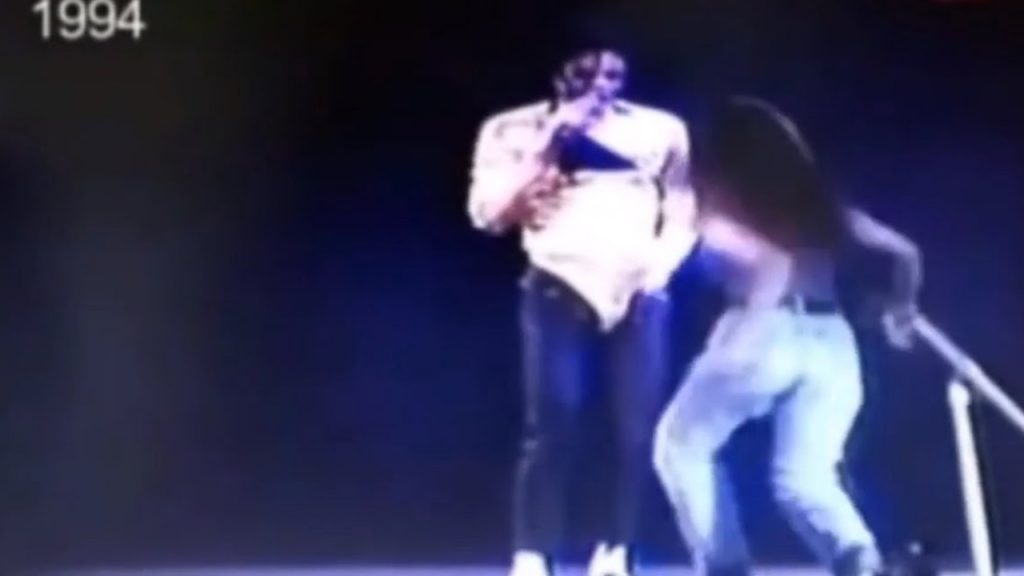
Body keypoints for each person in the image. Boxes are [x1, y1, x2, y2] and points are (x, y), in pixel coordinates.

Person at [652, 97, 923, 576]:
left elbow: (772, 264)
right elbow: (904, 252)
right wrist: (901, 308)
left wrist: (745, 334)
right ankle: (859, 560)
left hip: (766, 329)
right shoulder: (819, 203)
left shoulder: (720, 204)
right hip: (832, 341)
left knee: (681, 445)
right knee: (805, 475)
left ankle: (725, 565)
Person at [467, 35, 699, 576]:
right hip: (558, 280)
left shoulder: (660, 129)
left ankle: (616, 547)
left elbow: (682, 207)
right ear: (559, 72)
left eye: (611, 77)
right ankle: (534, 552)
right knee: (555, 419)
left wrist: (658, 272)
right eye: (585, 75)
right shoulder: (510, 129)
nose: (598, 88)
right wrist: (551, 139)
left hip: (638, 289)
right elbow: (488, 213)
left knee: (633, 426)